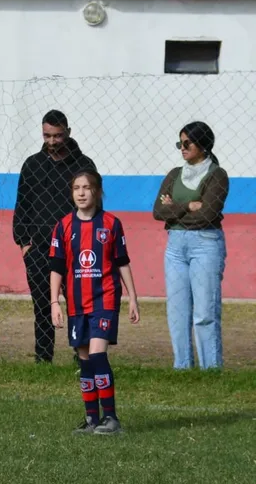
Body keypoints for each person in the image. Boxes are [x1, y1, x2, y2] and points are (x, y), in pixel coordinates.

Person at [49, 170, 140, 435]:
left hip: (105, 299)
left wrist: (133, 297)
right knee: (85, 360)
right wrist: (55, 302)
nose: (81, 193)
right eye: (76, 188)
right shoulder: (64, 226)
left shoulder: (111, 224)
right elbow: (56, 267)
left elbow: (122, 262)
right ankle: (92, 419)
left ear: (97, 191)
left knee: (99, 355)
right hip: (77, 303)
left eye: (87, 187)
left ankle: (111, 418)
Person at [13, 110, 97, 364]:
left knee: (78, 306)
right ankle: (43, 358)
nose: (51, 141)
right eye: (47, 136)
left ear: (68, 133)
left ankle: (81, 357)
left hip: (75, 250)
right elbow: (22, 205)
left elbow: (94, 207)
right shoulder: (32, 164)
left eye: (57, 136)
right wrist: (24, 243)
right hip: (39, 250)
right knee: (42, 307)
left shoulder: (84, 166)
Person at [152, 121, 230, 370]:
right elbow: (157, 211)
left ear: (203, 145)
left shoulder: (217, 175)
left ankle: (211, 369)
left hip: (205, 243)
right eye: (180, 143)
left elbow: (207, 215)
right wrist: (187, 205)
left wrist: (172, 209)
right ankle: (182, 366)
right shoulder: (174, 174)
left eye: (187, 143)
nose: (182, 148)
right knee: (177, 310)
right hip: (175, 247)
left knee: (205, 312)